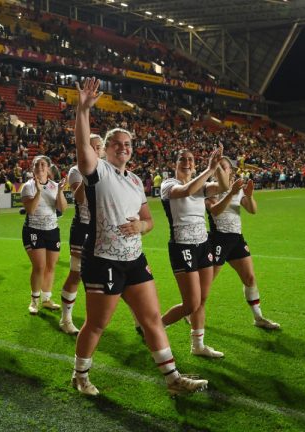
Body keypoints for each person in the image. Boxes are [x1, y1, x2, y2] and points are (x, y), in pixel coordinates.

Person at [72, 77, 207, 397]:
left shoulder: (135, 180)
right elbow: (81, 147)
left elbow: (149, 220)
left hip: (135, 258)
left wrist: (141, 228)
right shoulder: (97, 170)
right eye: (117, 143)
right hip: (103, 258)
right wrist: (83, 110)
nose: (123, 148)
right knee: (97, 324)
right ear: (106, 148)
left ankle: (173, 379)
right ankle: (80, 374)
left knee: (152, 320)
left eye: (128, 144)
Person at [160, 145, 229, 358]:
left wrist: (217, 166)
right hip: (183, 246)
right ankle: (154, 327)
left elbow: (224, 186)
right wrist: (209, 169)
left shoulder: (202, 185)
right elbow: (186, 191)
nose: (187, 162)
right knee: (191, 303)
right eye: (182, 159)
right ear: (174, 164)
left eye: (190, 159)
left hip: (203, 245)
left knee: (202, 299)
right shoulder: (168, 184)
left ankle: (198, 346)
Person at [206, 158, 280, 330]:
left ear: (230, 170)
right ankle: (190, 311)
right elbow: (214, 210)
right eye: (218, 168)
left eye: (223, 167)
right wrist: (231, 193)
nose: (220, 170)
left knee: (250, 278)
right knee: (206, 283)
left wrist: (249, 195)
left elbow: (252, 210)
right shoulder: (210, 188)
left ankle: (258, 317)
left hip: (236, 239)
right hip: (219, 239)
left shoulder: (237, 187)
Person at [58, 134, 103, 335]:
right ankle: (65, 319)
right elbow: (78, 197)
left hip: (103, 228)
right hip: (83, 228)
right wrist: (88, 174)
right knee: (76, 274)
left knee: (112, 272)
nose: (96, 150)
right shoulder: (76, 170)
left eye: (99, 147)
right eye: (92, 147)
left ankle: (137, 322)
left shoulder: (108, 169)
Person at [21, 155, 67, 315]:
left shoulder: (55, 186)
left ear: (48, 168)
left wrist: (60, 191)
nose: (39, 167)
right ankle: (34, 300)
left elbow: (62, 208)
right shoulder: (28, 187)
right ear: (33, 169)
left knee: (51, 266)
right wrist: (39, 192)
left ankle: (47, 299)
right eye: (36, 165)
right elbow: (30, 210)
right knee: (39, 266)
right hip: (34, 230)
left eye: (42, 164)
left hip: (52, 230)